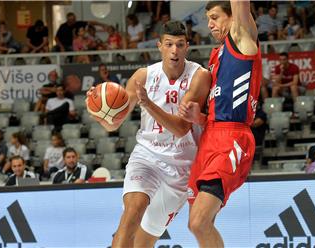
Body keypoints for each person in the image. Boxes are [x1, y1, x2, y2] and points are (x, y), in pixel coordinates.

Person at [86, 20, 211, 247]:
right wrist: (98, 111)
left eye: (180, 45)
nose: (174, 50)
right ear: (159, 45)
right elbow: (113, 125)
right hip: (147, 156)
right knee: (131, 215)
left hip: (181, 166)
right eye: (169, 44)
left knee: (144, 241)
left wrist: (149, 104)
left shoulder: (199, 76)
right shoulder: (143, 76)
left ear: (187, 47)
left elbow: (182, 128)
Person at [178, 1, 262, 247]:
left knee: (199, 222)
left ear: (232, 17)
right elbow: (218, 111)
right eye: (207, 19)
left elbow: (241, 6)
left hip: (232, 138)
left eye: (215, 17)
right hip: (210, 137)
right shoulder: (216, 55)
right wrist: (198, 118)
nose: (210, 24)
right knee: (198, 222)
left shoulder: (242, 37)